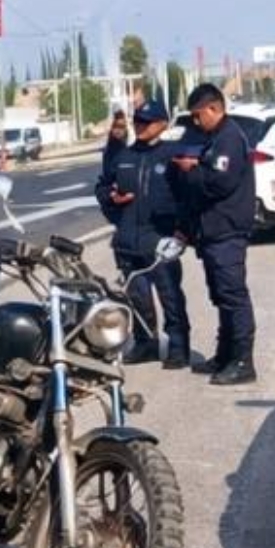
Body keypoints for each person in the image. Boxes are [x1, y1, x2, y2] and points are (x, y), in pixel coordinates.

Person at [172, 83, 257, 385]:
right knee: (221, 296)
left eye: (198, 115)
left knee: (233, 296)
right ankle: (225, 353)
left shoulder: (229, 138)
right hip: (212, 231)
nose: (196, 122)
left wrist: (191, 170)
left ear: (214, 109)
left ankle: (244, 360)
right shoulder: (214, 138)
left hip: (227, 231)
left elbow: (219, 183)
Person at [95, 101, 190, 367]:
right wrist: (113, 202)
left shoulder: (172, 155)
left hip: (160, 240)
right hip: (128, 241)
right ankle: (145, 343)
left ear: (162, 124)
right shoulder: (123, 156)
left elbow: (188, 196)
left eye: (146, 122)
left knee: (170, 297)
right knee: (137, 299)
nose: (140, 126)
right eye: (137, 121)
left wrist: (183, 232)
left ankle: (178, 348)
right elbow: (103, 187)